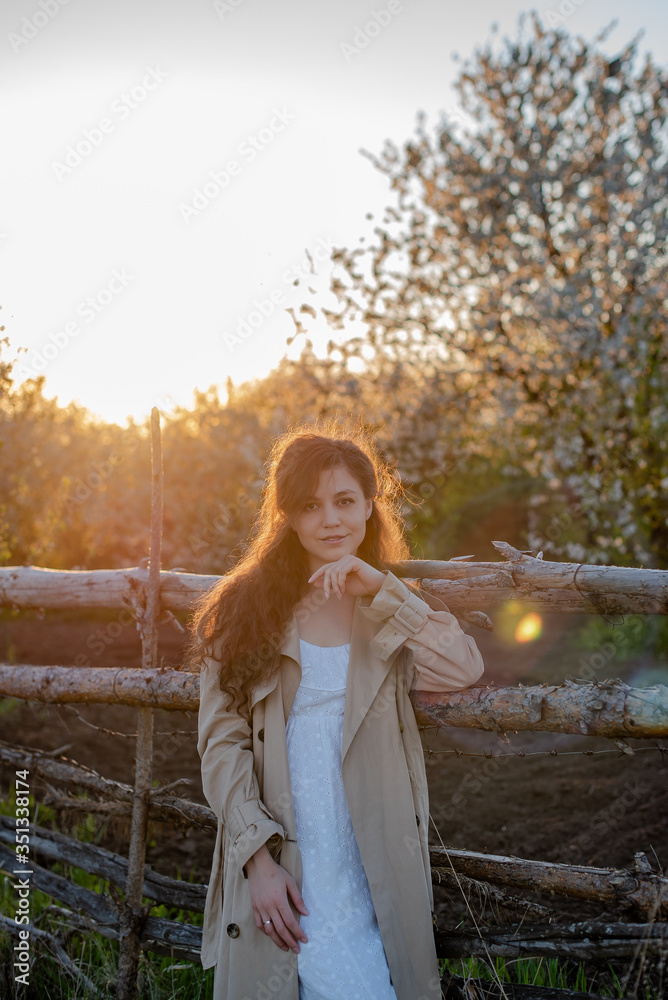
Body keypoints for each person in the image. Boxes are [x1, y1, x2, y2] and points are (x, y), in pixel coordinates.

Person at [186, 420, 485, 1000]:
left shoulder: (388, 603)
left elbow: (462, 668)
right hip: (288, 849)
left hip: (370, 845)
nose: (330, 519)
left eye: (345, 501)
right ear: (288, 516)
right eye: (310, 505)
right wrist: (257, 862)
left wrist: (379, 589)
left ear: (371, 506)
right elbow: (220, 744)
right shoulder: (246, 609)